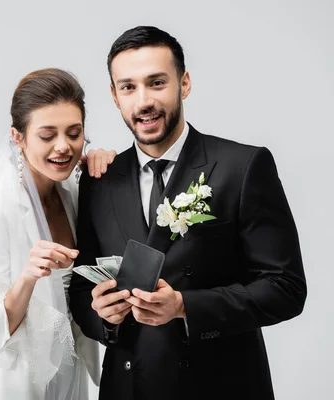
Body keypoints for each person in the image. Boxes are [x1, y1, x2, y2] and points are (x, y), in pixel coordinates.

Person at [68, 26, 307, 400]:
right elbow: (81, 289)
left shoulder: (242, 167)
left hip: (221, 387)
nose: (143, 101)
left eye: (157, 82)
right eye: (128, 87)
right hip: (128, 388)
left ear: (185, 83)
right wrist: (102, 315)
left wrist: (184, 307)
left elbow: (286, 288)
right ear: (115, 97)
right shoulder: (100, 180)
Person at [0, 68, 117, 400]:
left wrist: (110, 169)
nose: (64, 147)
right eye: (48, 135)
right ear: (18, 137)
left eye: (74, 133)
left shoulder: (74, 193)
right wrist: (28, 277)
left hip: (69, 372)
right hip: (12, 382)